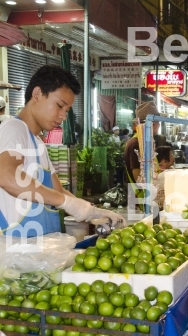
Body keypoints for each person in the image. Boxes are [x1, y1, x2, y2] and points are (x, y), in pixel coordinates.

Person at [0, 65, 125, 238]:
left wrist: (92, 212)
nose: (63, 116)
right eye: (59, 105)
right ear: (37, 94)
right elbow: (6, 176)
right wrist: (65, 203)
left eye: (66, 110)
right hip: (16, 252)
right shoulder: (14, 128)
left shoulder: (37, 142)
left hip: (40, 252)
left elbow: (57, 190)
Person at [124, 101, 161, 183]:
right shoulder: (136, 144)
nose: (159, 125)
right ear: (152, 124)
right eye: (158, 122)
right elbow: (138, 177)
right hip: (139, 194)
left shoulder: (144, 141)